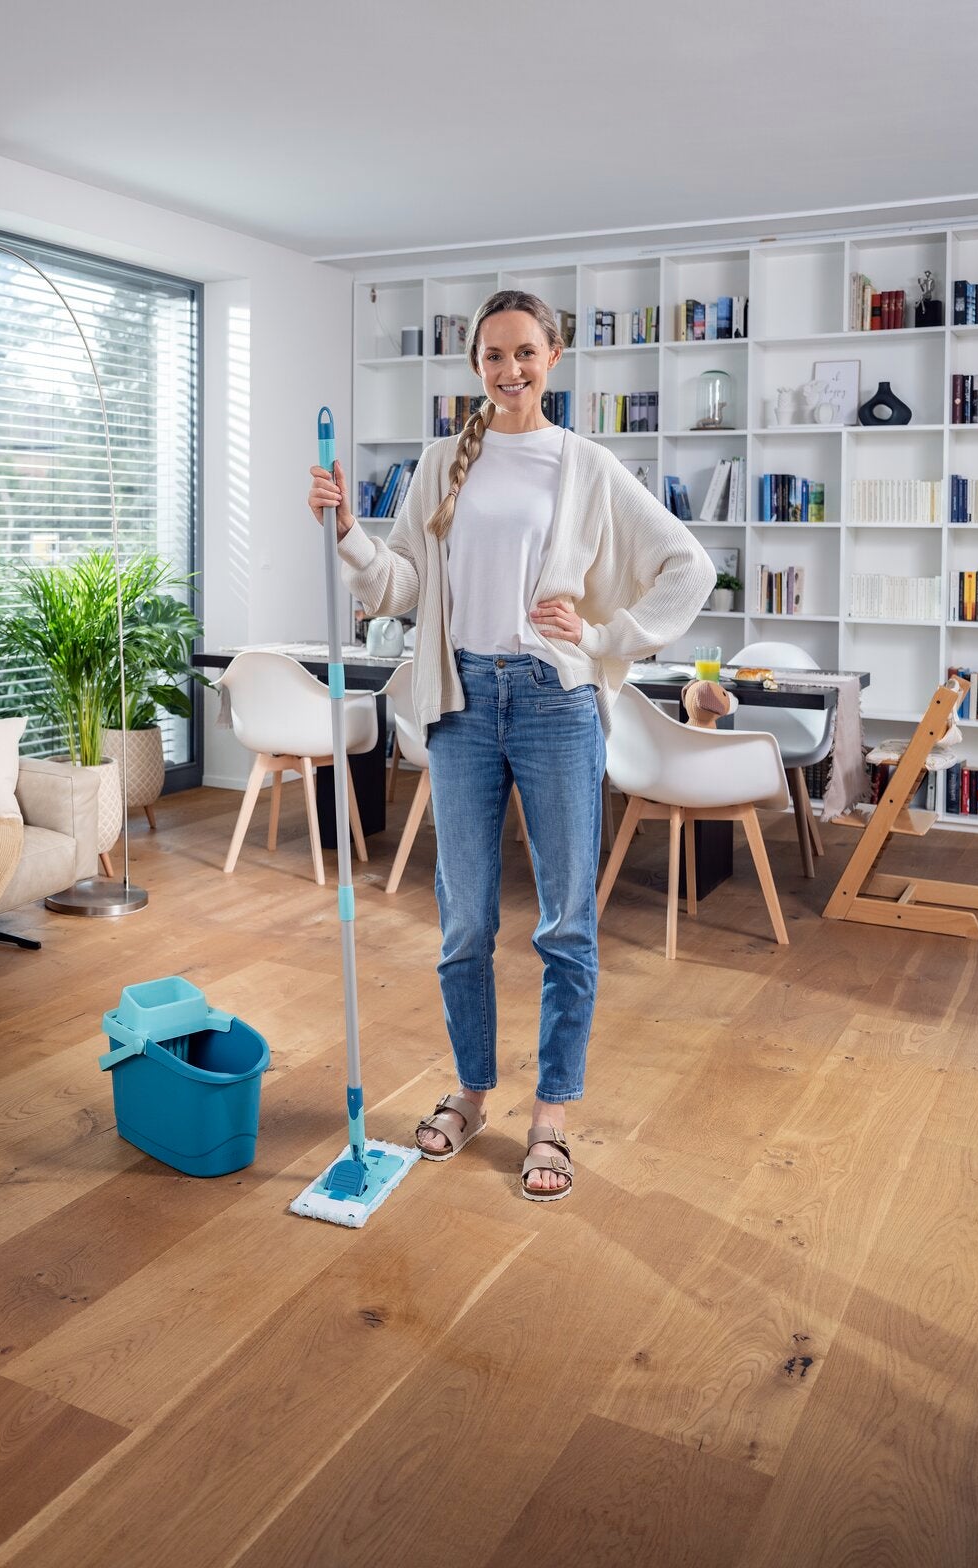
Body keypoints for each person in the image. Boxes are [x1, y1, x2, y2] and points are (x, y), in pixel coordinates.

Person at [305, 289, 712, 1200]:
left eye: (525, 352)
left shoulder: (586, 465)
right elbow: (402, 585)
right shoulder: (441, 461)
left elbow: (690, 566)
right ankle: (474, 1090)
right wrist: (349, 534)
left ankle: (552, 1115)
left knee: (565, 922)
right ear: (476, 365)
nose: (510, 369)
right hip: (461, 701)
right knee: (463, 922)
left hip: (552, 702)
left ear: (553, 357)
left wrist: (604, 639)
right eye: (493, 355)